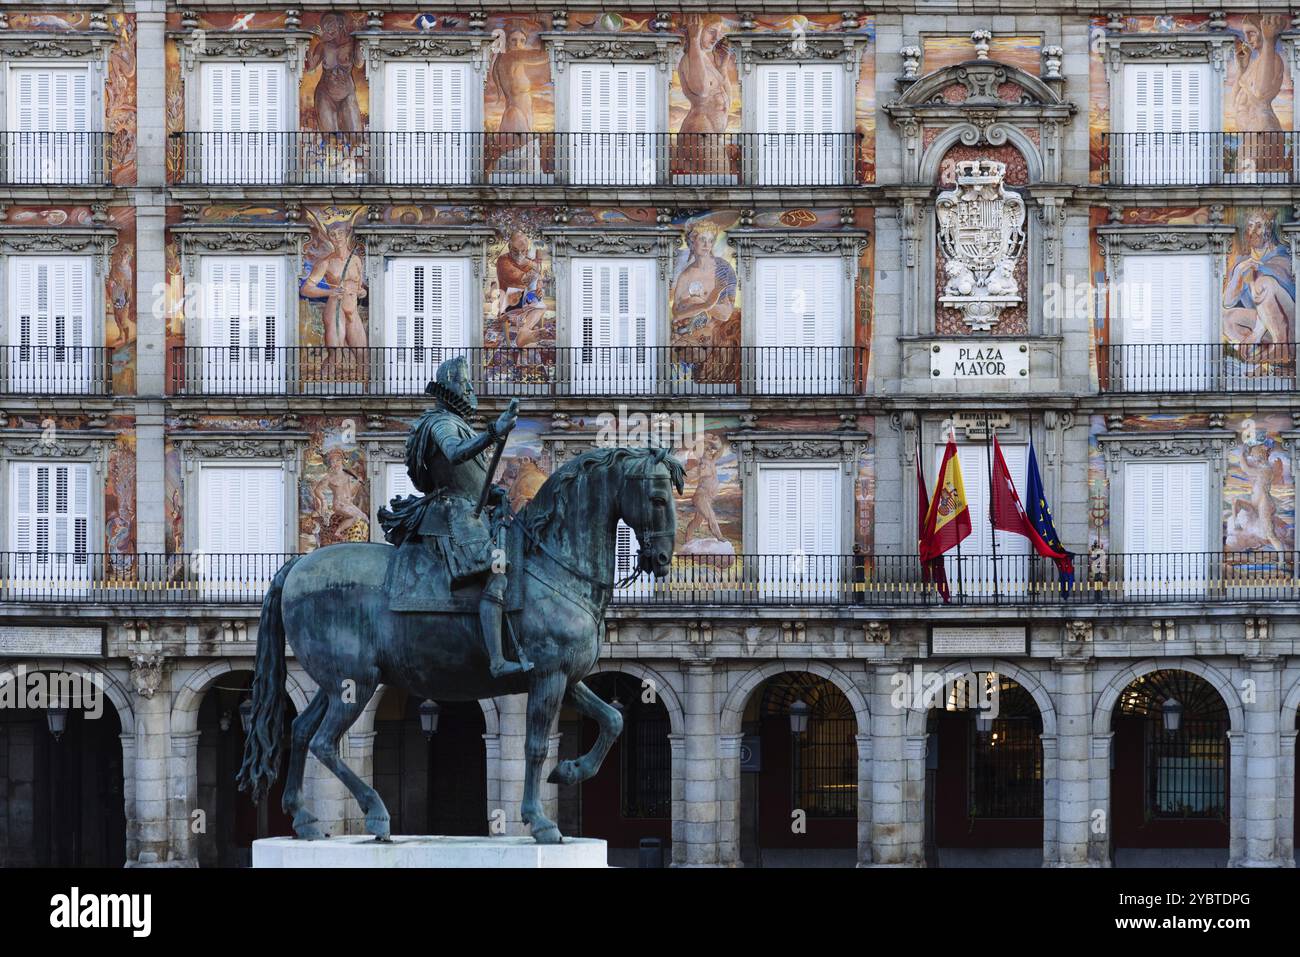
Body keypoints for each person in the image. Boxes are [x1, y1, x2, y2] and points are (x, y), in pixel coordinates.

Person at [380, 355, 532, 678]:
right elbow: (454, 454)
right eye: (467, 385)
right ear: (454, 388)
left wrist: (492, 494)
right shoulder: (442, 423)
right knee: (497, 572)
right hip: (451, 514)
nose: (471, 390)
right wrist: (494, 432)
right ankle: (497, 660)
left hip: (466, 508)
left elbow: (466, 477)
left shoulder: (456, 423)